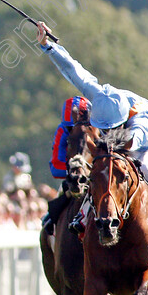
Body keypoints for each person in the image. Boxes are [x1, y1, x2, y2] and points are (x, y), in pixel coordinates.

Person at [37, 21, 148, 232]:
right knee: (99, 173)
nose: (107, 131)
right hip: (119, 145)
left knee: (145, 169)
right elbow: (72, 69)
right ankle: (82, 215)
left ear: (122, 119)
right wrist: (48, 45)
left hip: (147, 148)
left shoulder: (140, 116)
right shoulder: (100, 95)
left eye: (111, 127)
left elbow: (132, 143)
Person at [41, 96, 90, 235]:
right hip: (73, 180)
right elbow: (55, 168)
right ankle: (50, 222)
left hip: (96, 177)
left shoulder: (98, 129)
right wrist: (75, 172)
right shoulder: (62, 132)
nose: (73, 129)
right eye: (70, 127)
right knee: (57, 205)